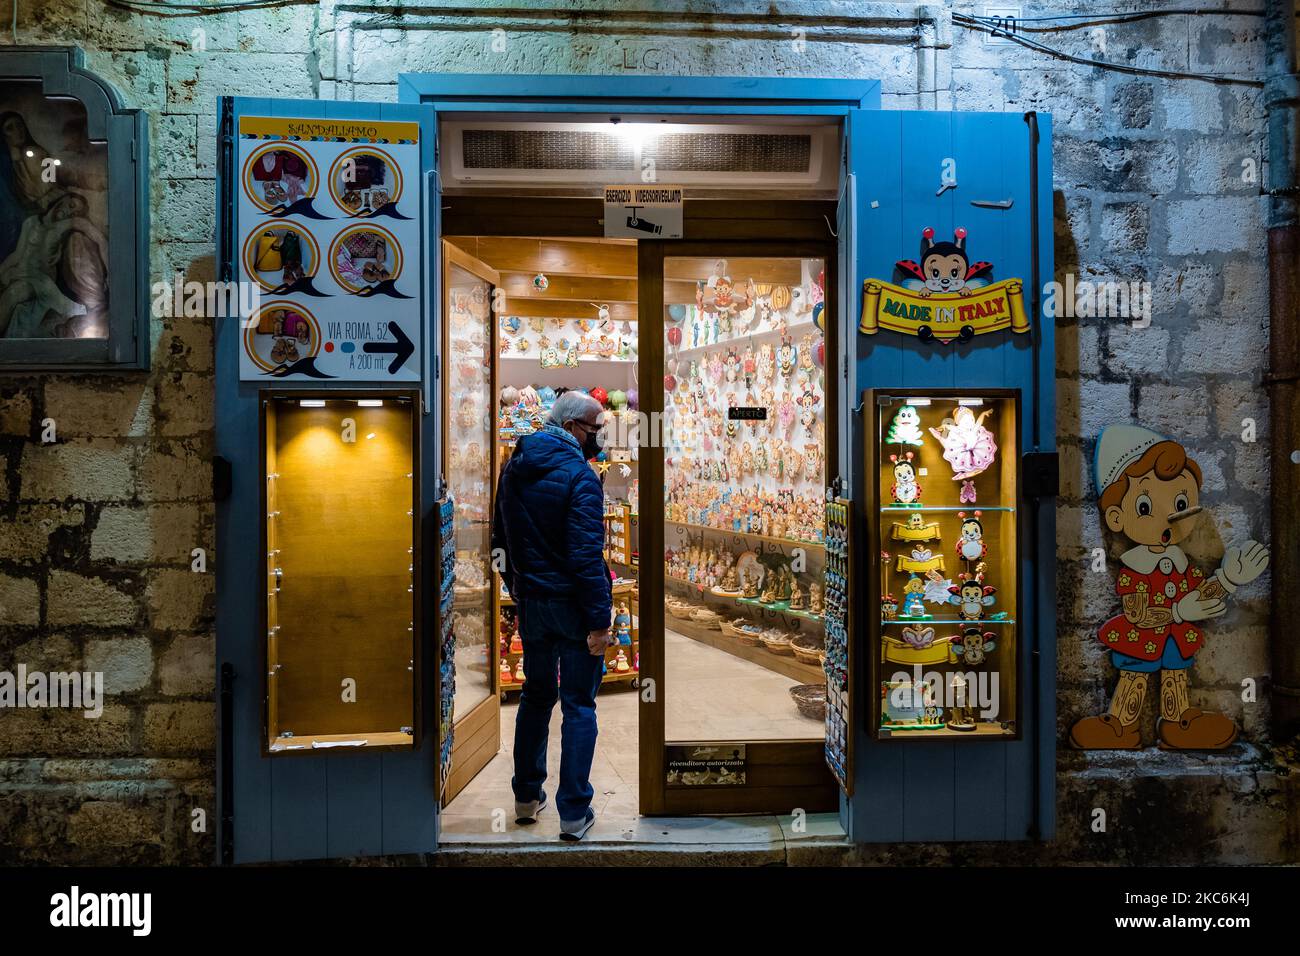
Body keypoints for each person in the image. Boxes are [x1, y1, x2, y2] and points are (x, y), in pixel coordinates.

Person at [491, 389, 613, 841]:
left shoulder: (514, 468)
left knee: (537, 696)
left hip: (533, 606)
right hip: (574, 610)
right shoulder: (581, 477)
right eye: (594, 428)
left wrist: (520, 588)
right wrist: (600, 620)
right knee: (579, 703)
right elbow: (585, 558)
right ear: (571, 427)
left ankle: (526, 797)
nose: (598, 437)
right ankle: (574, 814)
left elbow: (498, 542)